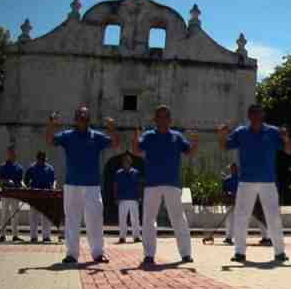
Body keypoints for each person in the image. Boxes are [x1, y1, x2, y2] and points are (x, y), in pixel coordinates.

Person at [218, 104, 291, 264]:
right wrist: (222, 135)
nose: (255, 116)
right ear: (248, 116)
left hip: (268, 181)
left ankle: (280, 253)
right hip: (246, 181)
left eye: (258, 113)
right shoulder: (241, 132)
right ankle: (239, 253)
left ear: (262, 115)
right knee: (241, 217)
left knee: (273, 217)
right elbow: (224, 146)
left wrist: (286, 139)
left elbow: (288, 151)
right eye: (252, 113)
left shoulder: (273, 132)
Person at [46, 106, 120, 264]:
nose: (82, 119)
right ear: (75, 119)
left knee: (95, 219)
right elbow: (50, 140)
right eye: (80, 116)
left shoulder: (96, 136)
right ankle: (72, 255)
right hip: (72, 185)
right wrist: (52, 124)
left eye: (85, 117)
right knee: (72, 220)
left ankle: (98, 254)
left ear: (89, 120)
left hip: (92, 186)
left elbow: (114, 144)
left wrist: (112, 129)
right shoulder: (68, 136)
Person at [132, 105, 196, 266]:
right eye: (159, 116)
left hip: (172, 183)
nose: (162, 119)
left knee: (178, 219)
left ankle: (186, 254)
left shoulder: (177, 136)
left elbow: (189, 152)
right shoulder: (148, 136)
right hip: (152, 183)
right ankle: (148, 255)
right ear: (155, 119)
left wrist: (194, 141)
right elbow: (137, 151)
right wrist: (135, 138)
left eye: (165, 116)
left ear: (170, 119)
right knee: (148, 219)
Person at [222, 163, 268, 245]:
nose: (233, 170)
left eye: (234, 168)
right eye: (231, 168)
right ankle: (228, 238)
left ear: (237, 169)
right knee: (229, 220)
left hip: (245, 202)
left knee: (258, 218)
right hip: (231, 202)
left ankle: (266, 237)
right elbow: (224, 191)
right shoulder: (227, 179)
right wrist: (229, 195)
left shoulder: (243, 178)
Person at [24, 150, 56, 242]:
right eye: (40, 159)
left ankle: (46, 236)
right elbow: (25, 181)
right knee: (33, 216)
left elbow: (53, 180)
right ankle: (33, 237)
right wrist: (27, 186)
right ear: (37, 159)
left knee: (46, 216)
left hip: (46, 194)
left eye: (43, 159)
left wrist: (53, 187)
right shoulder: (32, 168)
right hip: (34, 194)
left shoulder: (49, 168)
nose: (42, 161)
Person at [0, 146, 25, 242]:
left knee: (15, 215)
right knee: (4, 214)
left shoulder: (19, 167)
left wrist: (23, 186)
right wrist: (6, 181)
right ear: (7, 154)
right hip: (5, 193)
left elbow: (21, 180)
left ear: (15, 155)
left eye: (13, 153)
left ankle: (15, 235)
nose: (11, 155)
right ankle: (2, 235)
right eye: (9, 153)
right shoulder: (3, 166)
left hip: (15, 193)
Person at [114, 153, 141, 243]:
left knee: (135, 219)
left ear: (130, 162)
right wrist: (116, 197)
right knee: (122, 219)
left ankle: (136, 236)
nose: (126, 163)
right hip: (122, 199)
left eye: (128, 161)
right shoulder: (118, 173)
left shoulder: (136, 172)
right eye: (125, 161)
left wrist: (139, 196)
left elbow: (138, 185)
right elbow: (116, 186)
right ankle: (122, 237)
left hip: (133, 198)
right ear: (123, 163)